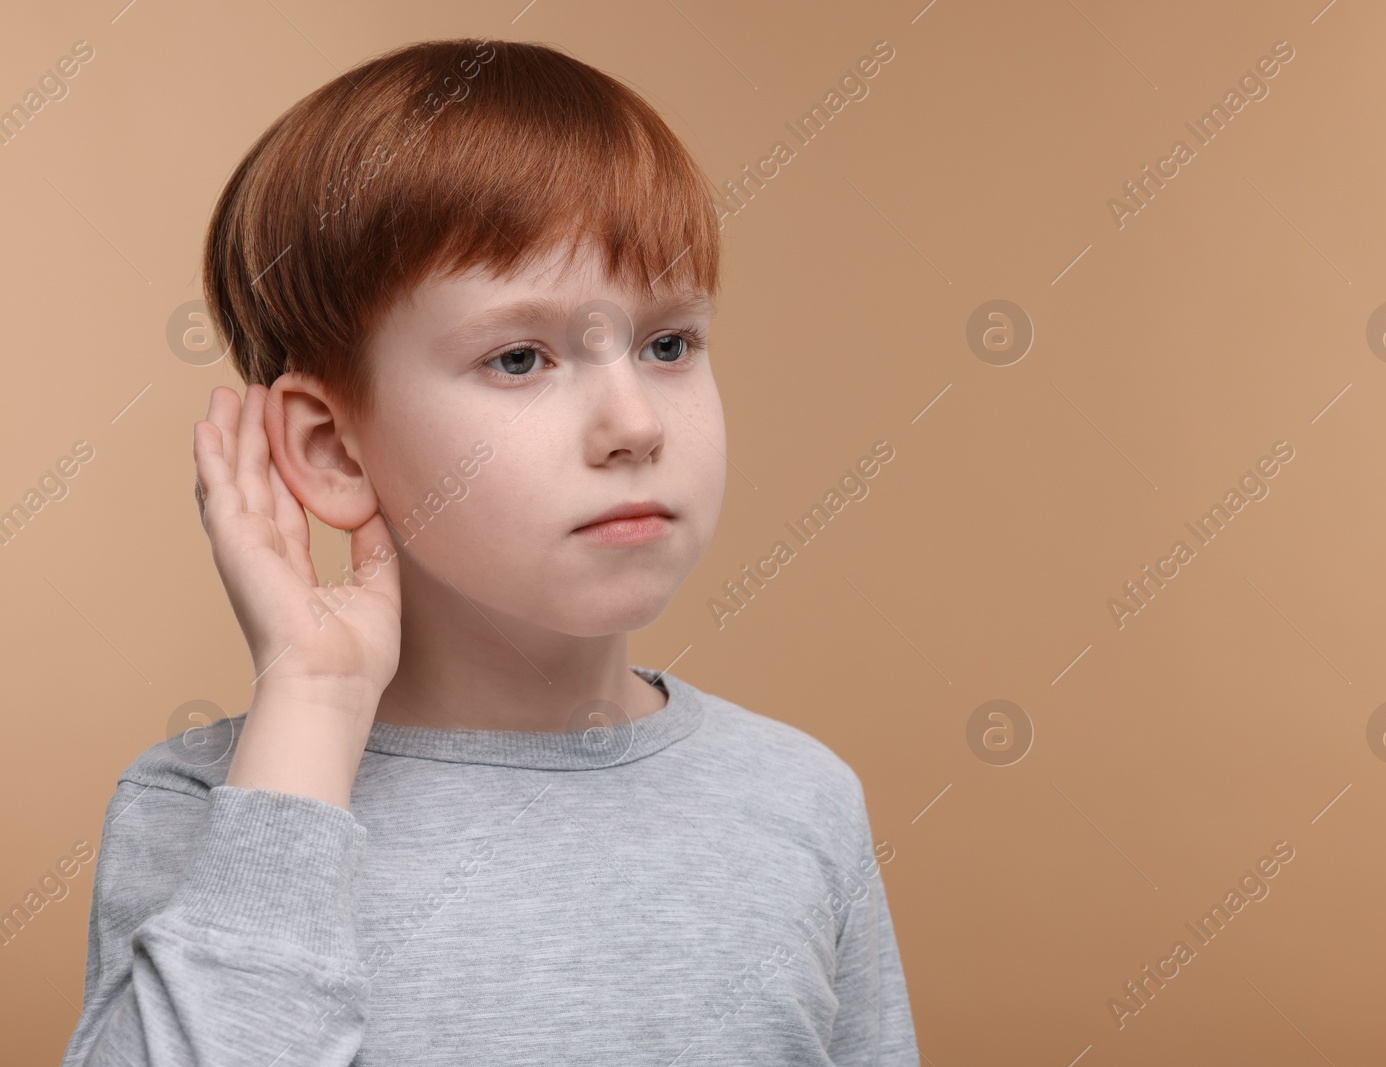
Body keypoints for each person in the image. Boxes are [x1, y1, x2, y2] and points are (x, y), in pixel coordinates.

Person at [59, 37, 917, 1066]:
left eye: (668, 343)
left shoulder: (801, 798)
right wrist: (314, 705)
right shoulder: (211, 811)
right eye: (520, 357)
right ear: (335, 449)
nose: (634, 421)